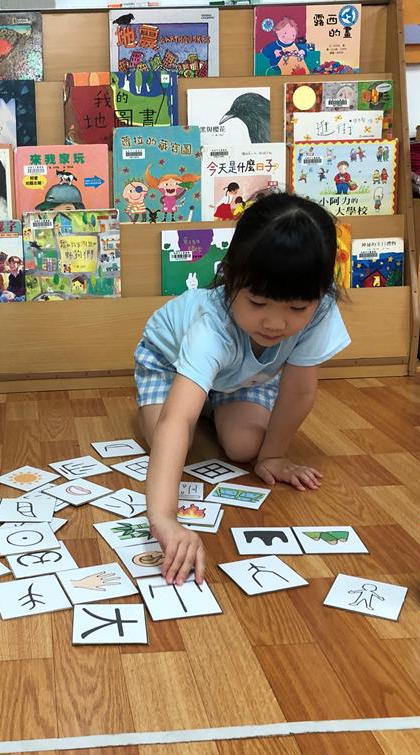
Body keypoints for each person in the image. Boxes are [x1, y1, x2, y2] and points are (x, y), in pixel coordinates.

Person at [134, 192, 350, 586]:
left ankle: (211, 401)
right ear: (230, 276)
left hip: (241, 377)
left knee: (245, 449)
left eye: (296, 309)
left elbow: (298, 391)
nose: (275, 323)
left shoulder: (320, 310)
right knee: (169, 441)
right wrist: (164, 518)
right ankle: (201, 396)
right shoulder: (210, 326)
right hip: (166, 362)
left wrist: (274, 455)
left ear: (320, 294)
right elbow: (176, 420)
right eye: (258, 302)